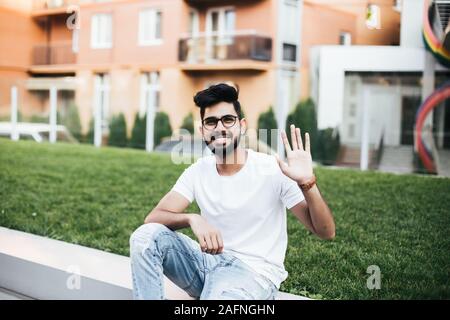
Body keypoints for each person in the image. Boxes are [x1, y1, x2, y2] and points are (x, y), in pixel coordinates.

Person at [130, 83, 335, 300]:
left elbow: (325, 231)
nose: (220, 128)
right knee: (145, 238)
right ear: (202, 131)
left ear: (242, 125)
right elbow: (153, 219)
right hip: (205, 263)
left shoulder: (271, 169)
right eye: (211, 122)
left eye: (228, 120)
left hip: (253, 273)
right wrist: (192, 218)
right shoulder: (198, 171)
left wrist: (307, 183)